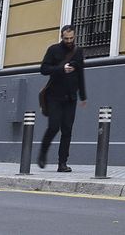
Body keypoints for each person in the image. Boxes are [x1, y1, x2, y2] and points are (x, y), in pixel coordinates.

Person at [37, 25, 87, 172]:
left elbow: (81, 73)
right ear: (61, 36)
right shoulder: (53, 50)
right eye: (66, 38)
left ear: (74, 37)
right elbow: (43, 69)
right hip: (54, 96)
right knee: (53, 127)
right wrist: (61, 68)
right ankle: (43, 152)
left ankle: (62, 163)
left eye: (71, 38)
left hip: (71, 97)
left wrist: (83, 96)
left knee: (67, 130)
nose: (69, 41)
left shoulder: (78, 52)